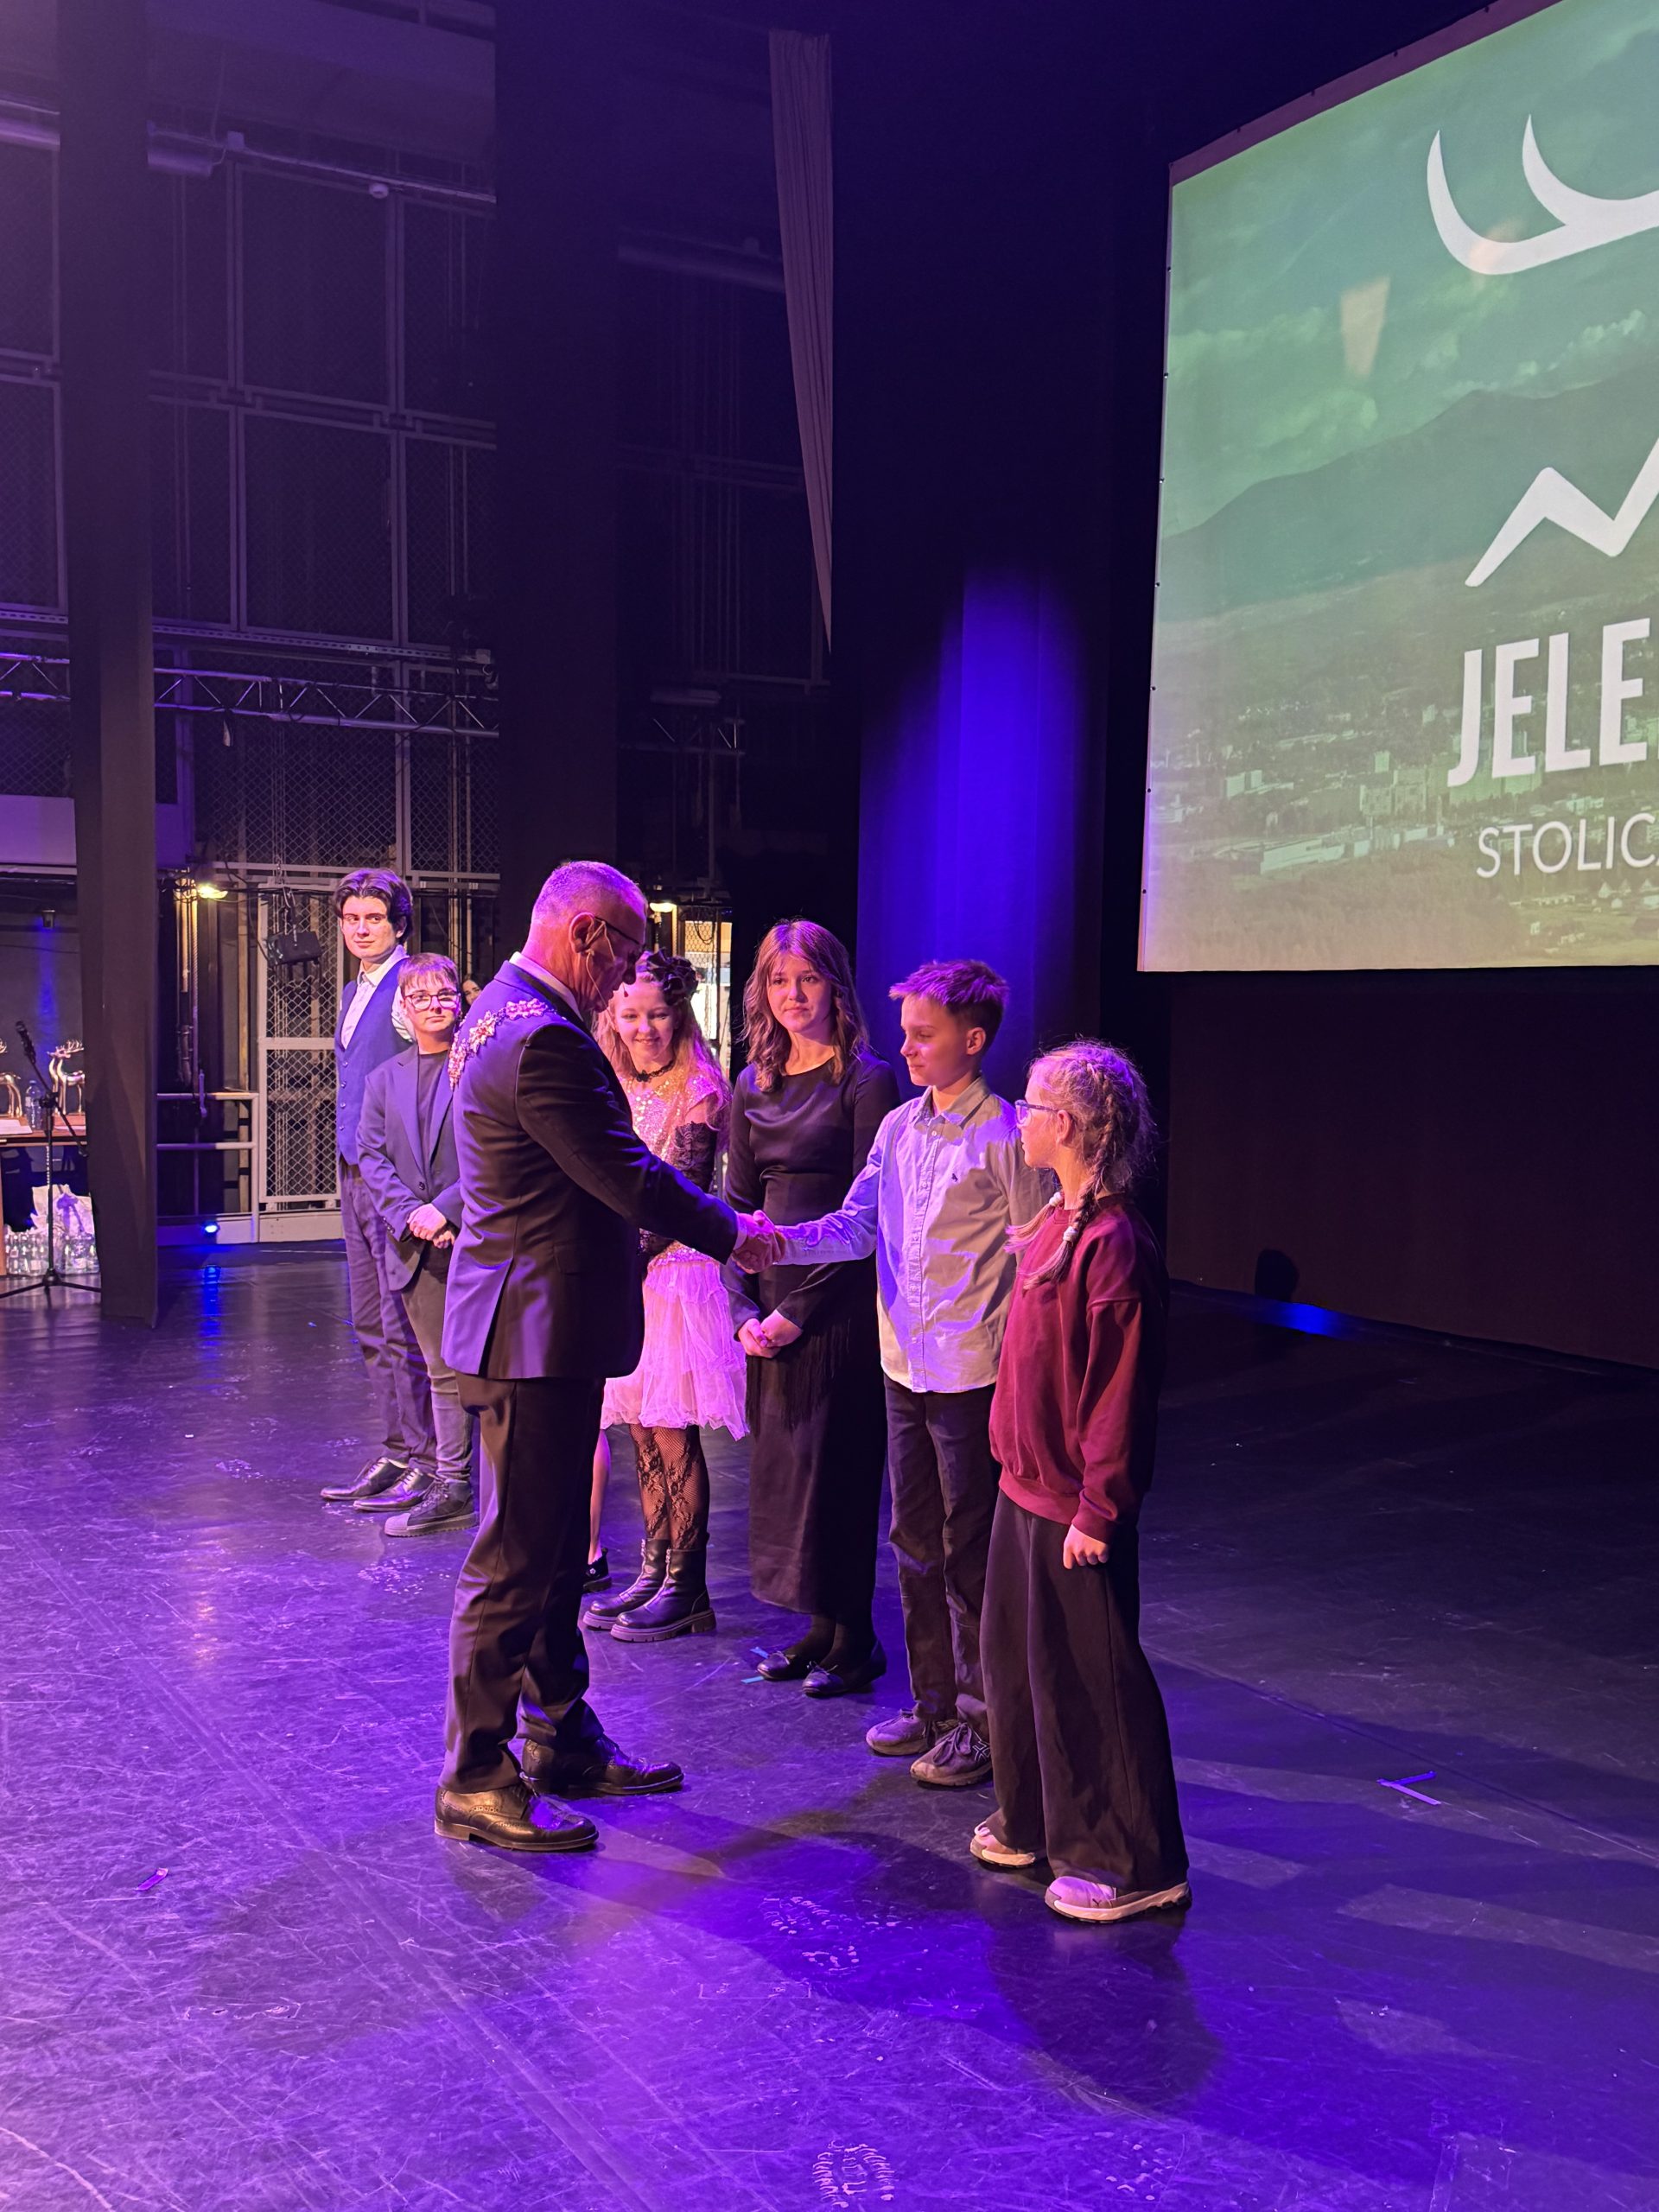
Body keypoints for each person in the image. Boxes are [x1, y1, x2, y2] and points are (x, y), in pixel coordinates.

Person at [434, 861, 773, 1854]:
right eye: (624, 951)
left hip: (536, 1321)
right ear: (585, 934)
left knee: (547, 1554)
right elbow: (626, 1175)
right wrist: (734, 1232)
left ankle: (562, 1737)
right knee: (516, 1557)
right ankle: (475, 1773)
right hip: (531, 1329)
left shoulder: (498, 1011)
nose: (628, 973)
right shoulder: (542, 1037)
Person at [764, 960, 1050, 1786]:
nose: (909, 1048)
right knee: (915, 1544)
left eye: (925, 1035)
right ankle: (934, 1707)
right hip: (904, 1367)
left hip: (970, 1373)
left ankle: (984, 1722)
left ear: (974, 1040)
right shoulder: (897, 1129)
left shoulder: (1006, 1138)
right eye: (906, 1033)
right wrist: (774, 1240)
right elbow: (857, 1226)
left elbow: (1036, 1260)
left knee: (969, 1553)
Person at [972, 1040, 1191, 1924]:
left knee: (1090, 1677)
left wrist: (1099, 1506)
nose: (1020, 1119)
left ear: (1064, 1125)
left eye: (1030, 1106)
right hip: (1022, 1488)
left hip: (1074, 1504)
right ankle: (1034, 1819)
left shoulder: (1113, 1244)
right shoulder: (1055, 1223)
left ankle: (1133, 1860)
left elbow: (1117, 1391)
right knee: (1019, 1668)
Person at [725, 920, 899, 1696]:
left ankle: (855, 1638)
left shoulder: (867, 1081)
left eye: (808, 979)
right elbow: (734, 1208)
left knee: (837, 1472)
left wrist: (798, 1310)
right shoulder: (752, 1084)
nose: (792, 994)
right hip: (765, 1308)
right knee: (789, 1477)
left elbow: (869, 1217)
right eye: (777, 980)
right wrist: (741, 1310)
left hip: (836, 1305)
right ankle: (819, 1629)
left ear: (835, 986)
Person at [582, 950, 747, 1643]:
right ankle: (653, 1568)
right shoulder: (609, 1081)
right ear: (612, 1017)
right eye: (631, 1015)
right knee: (643, 1430)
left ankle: (689, 1584)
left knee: (672, 1431)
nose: (644, 1027)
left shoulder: (698, 1087)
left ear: (678, 1015)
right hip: (628, 1272)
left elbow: (676, 1193)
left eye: (657, 1014)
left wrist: (616, 1262)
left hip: (673, 1275)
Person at [319, 868, 436, 1513]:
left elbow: (436, 1070)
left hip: (394, 1177)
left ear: (398, 925)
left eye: (373, 919)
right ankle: (397, 1449)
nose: (360, 929)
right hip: (354, 1169)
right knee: (369, 1320)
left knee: (402, 1325)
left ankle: (428, 1459)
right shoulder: (353, 989)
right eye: (351, 919)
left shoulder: (406, 987)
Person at [355, 954, 476, 1537]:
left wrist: (447, 1210)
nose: (434, 1005)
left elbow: (496, 1150)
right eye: (420, 996)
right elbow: (371, 1156)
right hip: (415, 1245)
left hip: (479, 1238)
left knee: (488, 1371)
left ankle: (483, 1484)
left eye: (444, 994)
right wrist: (413, 1216)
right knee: (440, 1369)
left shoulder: (480, 1068)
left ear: (460, 1000)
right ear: (402, 1007)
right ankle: (452, 1482)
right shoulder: (384, 1079)